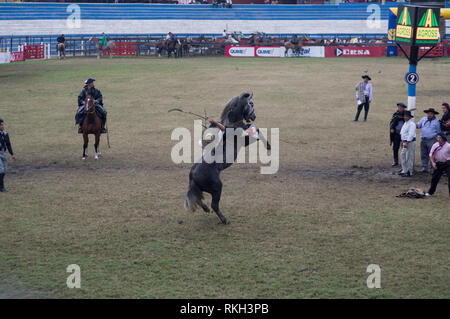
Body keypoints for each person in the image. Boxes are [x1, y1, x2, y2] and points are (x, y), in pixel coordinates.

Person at [416, 108, 441, 172]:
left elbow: (439, 131)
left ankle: (433, 167)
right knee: (423, 154)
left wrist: (438, 140)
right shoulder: (423, 119)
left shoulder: (437, 121)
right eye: (428, 113)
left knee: (432, 154)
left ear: (433, 114)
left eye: (431, 114)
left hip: (432, 139)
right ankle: (425, 167)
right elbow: (418, 126)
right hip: (423, 139)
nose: (429, 115)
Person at [0, 117, 16, 192]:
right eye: (1, 125)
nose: (2, 126)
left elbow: (8, 144)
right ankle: (1, 187)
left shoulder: (5, 134)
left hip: (3, 153)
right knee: (1, 169)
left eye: (3, 124)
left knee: (4, 169)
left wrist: (12, 154)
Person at [399, 110, 416, 177]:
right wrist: (402, 141)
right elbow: (402, 133)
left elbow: (411, 134)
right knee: (403, 155)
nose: (405, 117)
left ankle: (409, 171)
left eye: (406, 116)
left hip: (410, 142)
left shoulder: (412, 124)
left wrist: (407, 142)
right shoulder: (405, 123)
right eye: (404, 116)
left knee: (409, 156)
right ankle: (404, 170)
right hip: (404, 141)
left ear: (409, 117)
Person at [389, 102, 407, 167]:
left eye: (401, 107)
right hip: (396, 134)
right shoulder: (395, 115)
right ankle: (395, 161)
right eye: (399, 107)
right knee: (395, 147)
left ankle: (404, 161)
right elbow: (392, 123)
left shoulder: (406, 115)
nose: (399, 108)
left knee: (404, 148)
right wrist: (392, 128)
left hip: (404, 135)